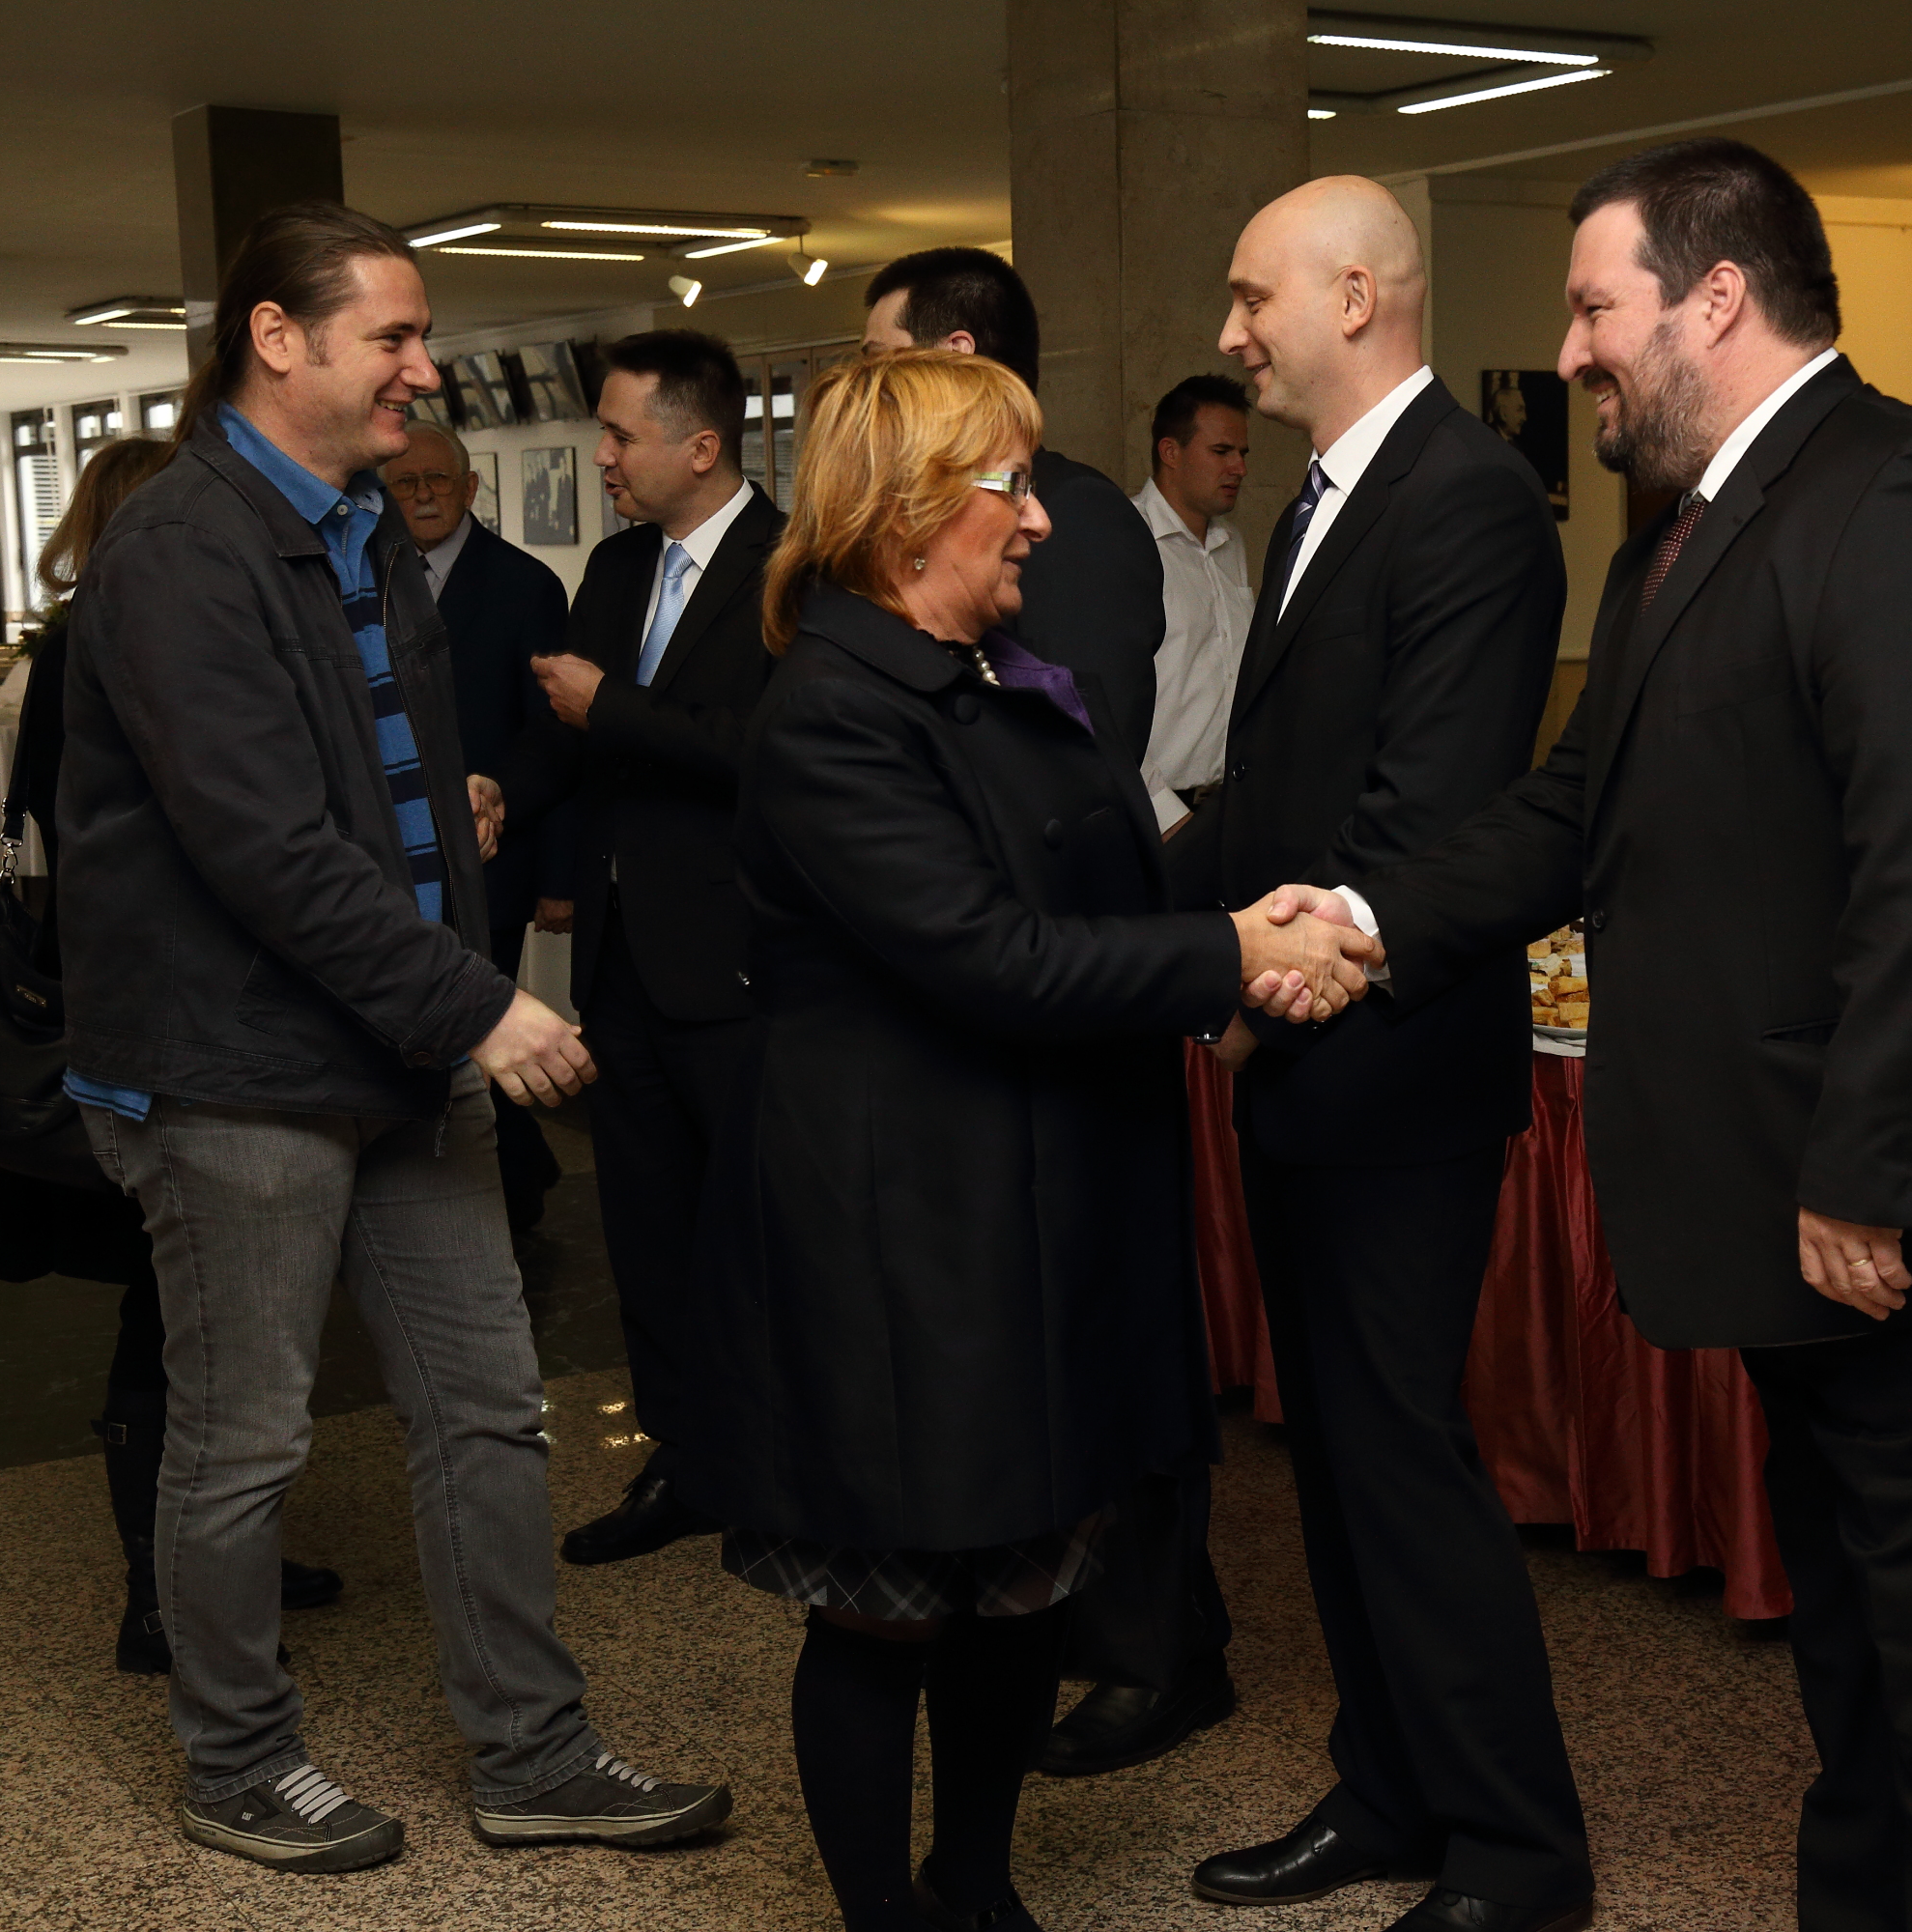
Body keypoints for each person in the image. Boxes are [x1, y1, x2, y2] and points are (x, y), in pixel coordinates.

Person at [1264, 138, 1912, 1932]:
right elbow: (1574, 811)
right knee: (1865, 1675)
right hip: (1817, 1235)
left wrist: (1868, 1171)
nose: (1569, 354)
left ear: (1715, 299)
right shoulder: (1680, 535)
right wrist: (1367, 923)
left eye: (1592, 309)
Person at [58, 200, 728, 1872]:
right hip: (237, 1072)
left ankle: (533, 1753)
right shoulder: (182, 547)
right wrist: (483, 1003)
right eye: (395, 339)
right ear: (278, 339)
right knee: (245, 1441)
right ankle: (235, 1762)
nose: (424, 372)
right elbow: (259, 847)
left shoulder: (358, 525)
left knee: (488, 1409)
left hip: (397, 1048)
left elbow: (380, 772)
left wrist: (457, 811)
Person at [671, 348, 1377, 1932]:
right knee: (888, 1606)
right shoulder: (833, 712)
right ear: (908, 514)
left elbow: (1098, 891)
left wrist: (1242, 931)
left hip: (1033, 1209)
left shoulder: (999, 676)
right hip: (902, 1240)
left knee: (1020, 1583)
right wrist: (1229, 956)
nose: (1043, 520)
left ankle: (975, 1887)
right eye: (1012, 485)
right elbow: (988, 956)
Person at [1172, 177, 1589, 1932]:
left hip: (1393, 1063)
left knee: (1402, 1461)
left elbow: (1430, 811)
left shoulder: (1468, 498)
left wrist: (1270, 972)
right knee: (1340, 1464)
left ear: (1354, 295)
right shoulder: (1320, 502)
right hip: (1304, 1059)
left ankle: (1517, 1851)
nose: (1229, 333)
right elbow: (1279, 793)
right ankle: (1390, 1789)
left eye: (1252, 296)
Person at [0, 433, 344, 1678]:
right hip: (139, 1020)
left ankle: (214, 1565)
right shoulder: (104, 639)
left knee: (195, 1316)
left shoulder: (82, 636)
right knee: (168, 1314)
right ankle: (160, 1591)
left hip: (134, 998)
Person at [487, 329, 784, 1567]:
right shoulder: (614, 566)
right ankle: (687, 1457)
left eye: (619, 434)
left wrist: (613, 704)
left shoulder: (792, 570)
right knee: (648, 1228)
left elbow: (768, 753)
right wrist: (502, 786)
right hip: (620, 962)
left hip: (736, 961)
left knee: (755, 1231)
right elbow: (570, 740)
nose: (600, 455)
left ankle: (779, 1466)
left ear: (701, 445)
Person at [1036, 371, 1258, 1782]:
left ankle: (1157, 1647)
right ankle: (1156, 1631)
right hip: (1144, 894)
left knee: (1126, 1320)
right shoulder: (1100, 536)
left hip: (1156, 913)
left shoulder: (1080, 534)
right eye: (1217, 449)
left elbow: (1096, 758)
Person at [381, 418, 570, 1232]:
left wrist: (554, 872)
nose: (423, 494)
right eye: (405, 482)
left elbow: (555, 736)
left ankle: (508, 1192)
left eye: (438, 480)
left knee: (472, 1017)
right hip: (387, 856)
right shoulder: (367, 578)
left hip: (493, 856)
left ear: (470, 487)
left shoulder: (526, 584)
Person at [862, 247, 1165, 755]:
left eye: (879, 361)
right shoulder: (923, 512)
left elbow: (1088, 751)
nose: (870, 389)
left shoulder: (1080, 513)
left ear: (956, 358)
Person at [1131, 373, 1255, 833]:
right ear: (1171, 452)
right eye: (1221, 451)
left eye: (1243, 453)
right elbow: (1101, 701)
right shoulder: (1125, 537)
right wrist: (1165, 814)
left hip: (1231, 809)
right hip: (1155, 815)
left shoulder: (1231, 544)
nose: (1239, 468)